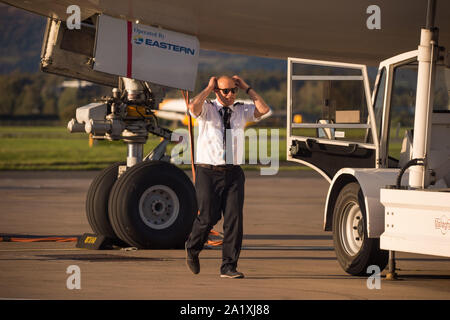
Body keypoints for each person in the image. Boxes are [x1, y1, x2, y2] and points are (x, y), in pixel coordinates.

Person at [185, 75, 271, 278]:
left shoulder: (241, 110)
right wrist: (208, 87)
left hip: (233, 172)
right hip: (208, 171)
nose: (231, 94)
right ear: (217, 91)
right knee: (208, 217)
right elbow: (192, 108)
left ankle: (228, 266)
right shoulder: (207, 109)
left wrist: (247, 87)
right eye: (226, 91)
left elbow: (264, 109)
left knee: (234, 220)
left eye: (234, 90)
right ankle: (192, 248)